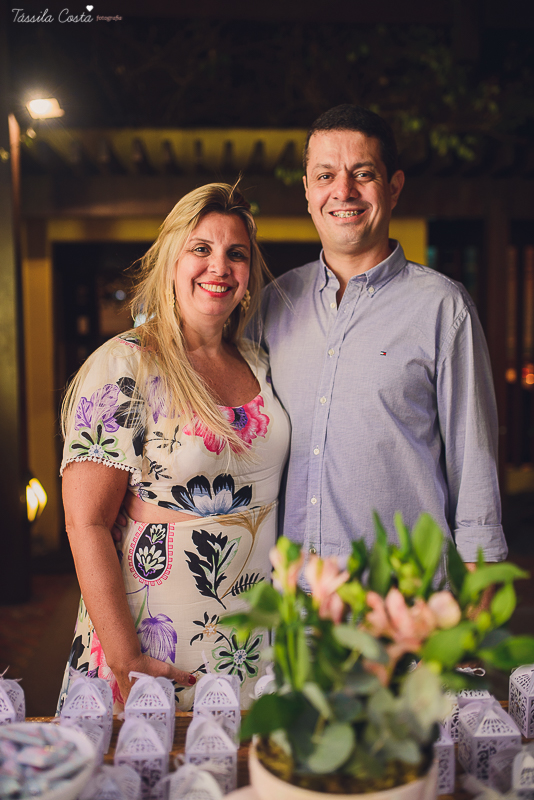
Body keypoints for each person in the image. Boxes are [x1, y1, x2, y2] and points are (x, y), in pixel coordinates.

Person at [58, 183, 290, 713]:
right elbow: (85, 521)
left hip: (253, 650)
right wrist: (124, 658)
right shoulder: (125, 364)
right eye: (201, 249)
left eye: (237, 254)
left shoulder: (260, 361)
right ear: (170, 261)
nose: (220, 267)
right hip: (152, 651)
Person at [255, 104, 507, 578]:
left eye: (363, 173)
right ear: (307, 190)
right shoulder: (272, 304)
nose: (343, 191)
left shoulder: (443, 307)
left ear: (393, 188)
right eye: (325, 175)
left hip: (404, 606)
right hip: (292, 609)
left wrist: (478, 595)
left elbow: (474, 465)